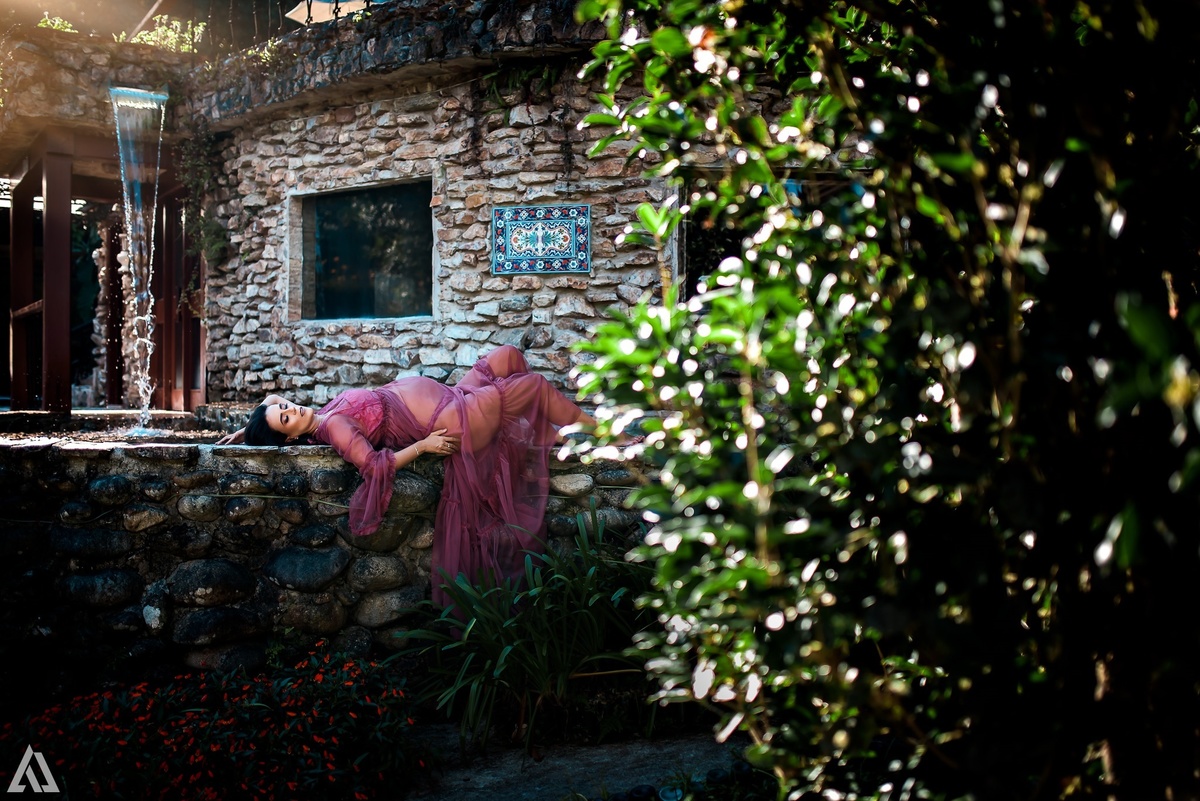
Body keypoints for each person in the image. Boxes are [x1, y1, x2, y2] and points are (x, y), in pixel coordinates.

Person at [216, 345, 595, 607]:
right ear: (292, 435)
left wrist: (246, 432)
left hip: (455, 397)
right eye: (286, 417)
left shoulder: (314, 417)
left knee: (509, 356)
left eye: (285, 405)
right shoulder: (335, 429)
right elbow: (375, 465)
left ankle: (521, 436)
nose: (289, 407)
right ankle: (605, 431)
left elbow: (267, 405)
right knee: (534, 387)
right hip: (453, 422)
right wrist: (425, 447)